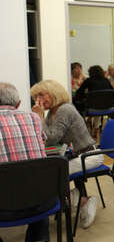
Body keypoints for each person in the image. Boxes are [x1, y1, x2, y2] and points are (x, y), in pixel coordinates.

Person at [30, 80, 101, 230]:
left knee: (50, 176)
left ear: (54, 92)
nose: (38, 100)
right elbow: (48, 140)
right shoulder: (51, 114)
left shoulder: (65, 109)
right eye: (36, 96)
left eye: (42, 95)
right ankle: (73, 197)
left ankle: (84, 201)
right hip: (76, 156)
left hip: (89, 155)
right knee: (44, 172)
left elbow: (50, 139)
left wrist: (39, 117)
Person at [0, 83, 54, 242]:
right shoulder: (33, 118)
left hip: (3, 208)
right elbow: (43, 144)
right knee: (37, 178)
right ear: (18, 103)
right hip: (41, 203)